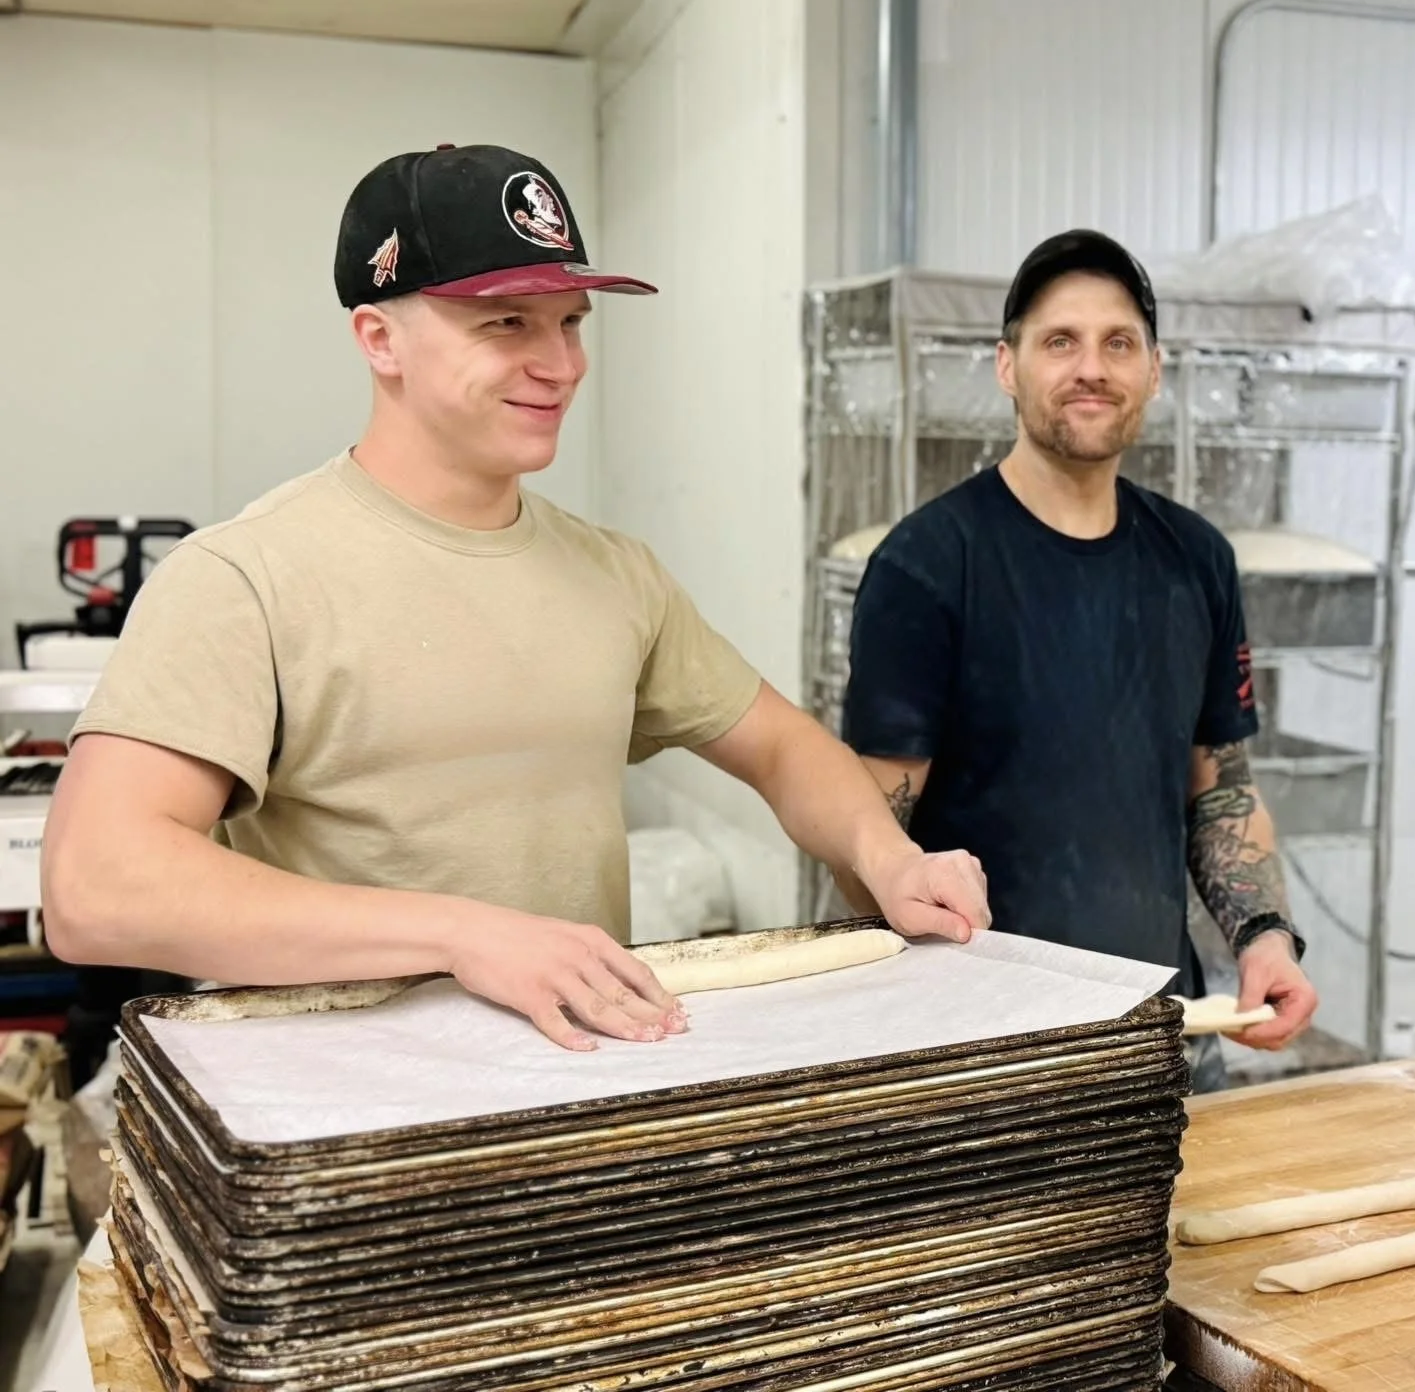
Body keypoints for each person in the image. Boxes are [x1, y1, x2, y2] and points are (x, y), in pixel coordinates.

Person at [40, 142, 988, 1052]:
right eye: (507, 323)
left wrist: (888, 857)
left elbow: (783, 747)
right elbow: (97, 887)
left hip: (575, 1086)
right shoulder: (247, 577)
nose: (562, 364)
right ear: (379, 338)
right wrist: (462, 936)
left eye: (571, 322)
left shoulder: (616, 574)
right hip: (344, 1122)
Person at [836, 229, 1318, 1080]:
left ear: (1155, 372)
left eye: (1118, 343)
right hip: (981, 1050)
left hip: (1163, 1035)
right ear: (1006, 366)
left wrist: (1266, 937)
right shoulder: (928, 565)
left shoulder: (1197, 558)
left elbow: (1222, 786)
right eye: (1060, 341)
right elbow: (864, 834)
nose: (1091, 366)